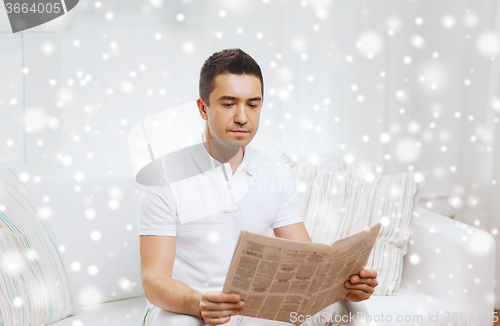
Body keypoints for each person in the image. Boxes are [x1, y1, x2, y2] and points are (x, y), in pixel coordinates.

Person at [137, 48, 378, 326]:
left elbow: (309, 263)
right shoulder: (164, 177)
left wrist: (345, 285)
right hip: (185, 307)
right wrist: (198, 302)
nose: (242, 117)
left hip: (251, 306)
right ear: (204, 108)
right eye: (229, 104)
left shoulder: (275, 173)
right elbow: (154, 280)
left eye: (252, 105)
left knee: (351, 310)